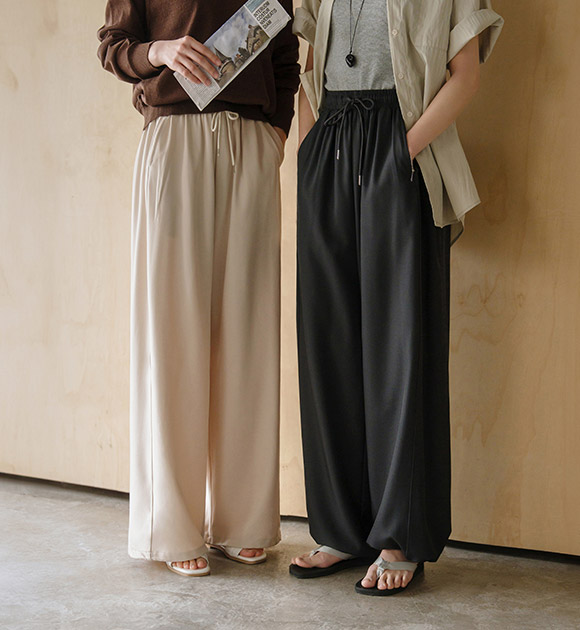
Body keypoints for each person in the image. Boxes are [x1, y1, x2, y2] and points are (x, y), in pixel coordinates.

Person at [289, 0, 504, 595]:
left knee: (400, 348)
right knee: (328, 341)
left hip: (401, 145)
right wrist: (309, 151)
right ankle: (340, 528)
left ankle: (400, 536)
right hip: (329, 143)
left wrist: (399, 151)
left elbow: (465, 76)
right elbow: (310, 68)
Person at [97, 0, 300, 577]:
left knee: (248, 335)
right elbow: (113, 45)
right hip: (174, 137)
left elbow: (285, 56)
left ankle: (243, 520)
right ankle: (172, 525)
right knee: (173, 335)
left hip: (251, 142)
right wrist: (159, 51)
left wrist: (276, 133)